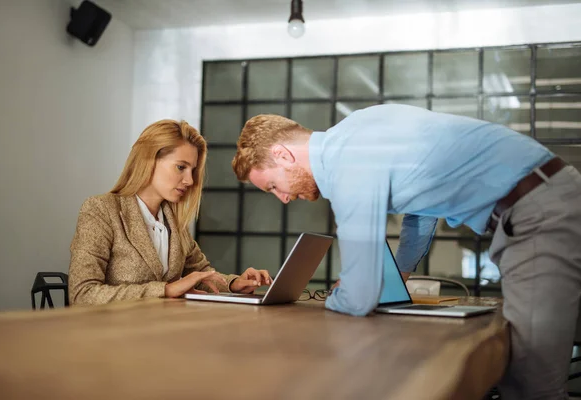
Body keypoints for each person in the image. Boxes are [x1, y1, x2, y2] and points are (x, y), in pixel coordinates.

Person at [231, 104, 581, 399]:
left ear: (282, 154)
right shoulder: (357, 130)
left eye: (274, 186)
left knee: (530, 386)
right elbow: (421, 214)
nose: (284, 198)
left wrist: (346, 295)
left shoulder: (345, 160)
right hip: (544, 201)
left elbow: (358, 298)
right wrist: (398, 277)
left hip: (537, 212)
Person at [69, 119, 271, 306]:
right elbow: (82, 294)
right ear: (149, 160)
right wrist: (165, 290)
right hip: (115, 337)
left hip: (165, 331)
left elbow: (201, 274)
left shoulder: (173, 221)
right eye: (181, 167)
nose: (190, 181)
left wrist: (235, 284)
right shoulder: (101, 210)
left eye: (192, 171)